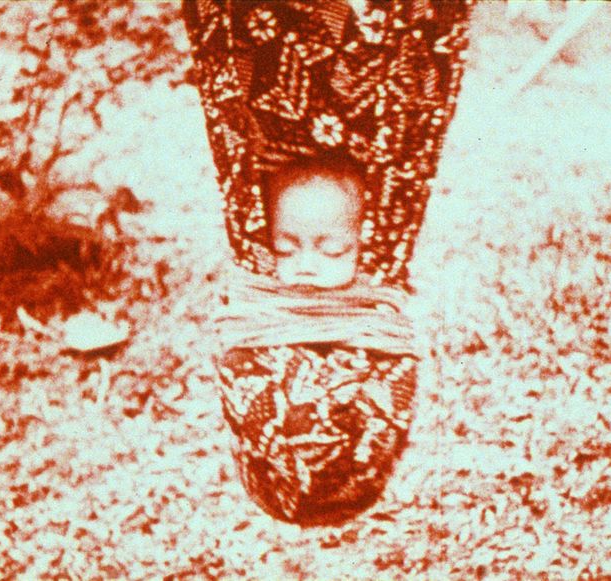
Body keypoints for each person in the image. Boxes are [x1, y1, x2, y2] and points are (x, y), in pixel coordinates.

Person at [183, 0, 473, 523]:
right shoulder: (260, 303)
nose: (306, 265)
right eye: (286, 248)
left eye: (333, 249)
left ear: (361, 244)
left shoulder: (376, 292)